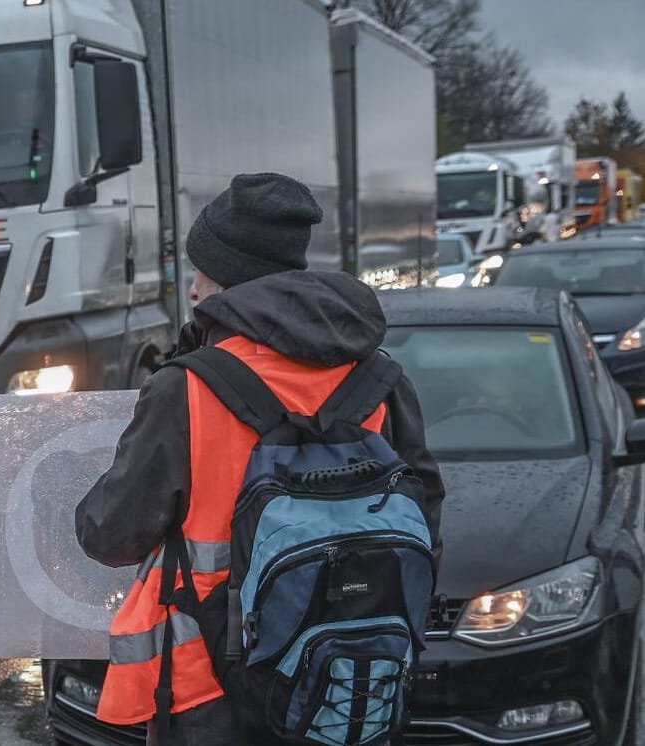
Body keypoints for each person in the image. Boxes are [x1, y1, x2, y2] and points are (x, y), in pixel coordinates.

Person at [75, 173, 444, 745]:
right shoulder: (380, 379)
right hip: (349, 677)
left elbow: (111, 534)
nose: (193, 291)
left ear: (225, 275)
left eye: (199, 271)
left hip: (212, 690)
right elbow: (427, 516)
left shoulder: (187, 389)